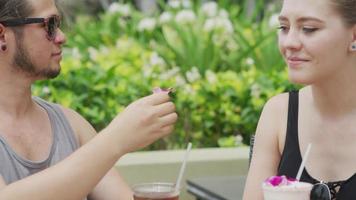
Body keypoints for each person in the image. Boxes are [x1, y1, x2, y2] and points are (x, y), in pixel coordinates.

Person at [0, 0, 178, 199]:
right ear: (2, 35)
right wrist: (115, 139)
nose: (61, 37)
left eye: (59, 24)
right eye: (49, 25)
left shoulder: (70, 125)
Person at [243, 0, 356, 199]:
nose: (289, 43)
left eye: (308, 29)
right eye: (284, 27)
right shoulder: (278, 114)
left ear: (354, 35)